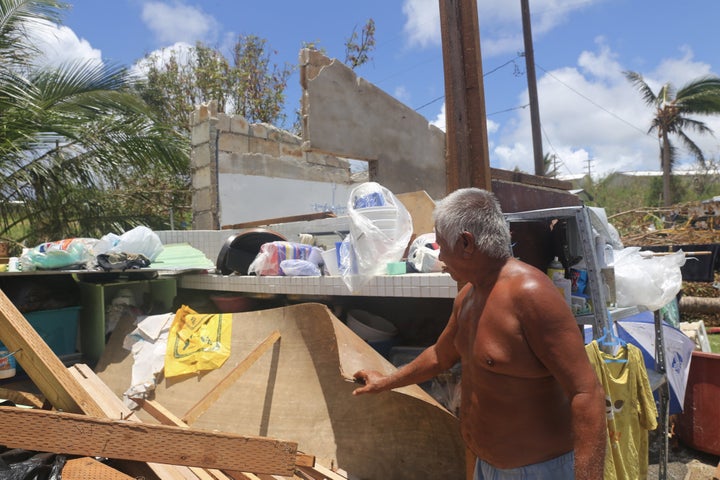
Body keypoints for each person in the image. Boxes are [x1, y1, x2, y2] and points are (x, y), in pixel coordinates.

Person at [352, 188, 606, 480]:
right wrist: (384, 382)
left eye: (441, 245)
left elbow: (586, 393)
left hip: (537, 472)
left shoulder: (532, 296)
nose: (441, 256)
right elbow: (439, 356)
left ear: (466, 243)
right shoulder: (468, 296)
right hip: (485, 468)